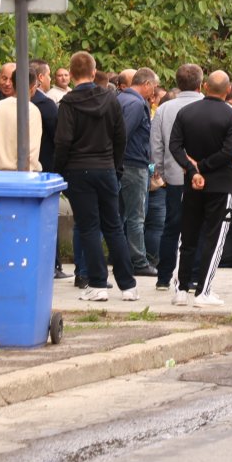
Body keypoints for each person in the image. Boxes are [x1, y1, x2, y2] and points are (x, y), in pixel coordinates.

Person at [54, 51, 138, 302]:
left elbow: (63, 141)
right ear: (93, 72)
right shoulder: (111, 99)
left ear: (71, 73)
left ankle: (98, 284)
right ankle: (128, 285)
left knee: (89, 227)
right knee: (114, 226)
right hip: (106, 168)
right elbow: (120, 136)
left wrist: (60, 171)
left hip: (79, 170)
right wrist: (115, 166)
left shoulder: (68, 103)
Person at [169, 70, 232, 305]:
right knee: (214, 237)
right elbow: (229, 151)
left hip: (192, 183)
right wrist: (203, 167)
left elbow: (175, 145)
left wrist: (193, 170)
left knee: (187, 236)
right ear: (228, 90)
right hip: (220, 183)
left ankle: (180, 290)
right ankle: (203, 291)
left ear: (205, 87)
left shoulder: (186, 112)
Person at [148, 64, 204, 291]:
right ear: (201, 83)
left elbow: (156, 143)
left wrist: (159, 168)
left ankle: (163, 276)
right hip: (202, 177)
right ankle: (192, 276)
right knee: (198, 227)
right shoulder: (207, 106)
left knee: (171, 227)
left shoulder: (165, 109)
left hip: (174, 176)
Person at [116, 67, 160, 277]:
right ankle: (138, 261)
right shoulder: (135, 104)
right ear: (147, 84)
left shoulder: (121, 98)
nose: (155, 92)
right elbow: (123, 134)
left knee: (121, 215)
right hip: (133, 165)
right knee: (136, 216)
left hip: (123, 164)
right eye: (155, 87)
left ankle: (120, 257)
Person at [0, 64, 42, 173]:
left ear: (13, 84)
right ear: (33, 88)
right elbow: (32, 150)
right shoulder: (32, 110)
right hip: (23, 176)